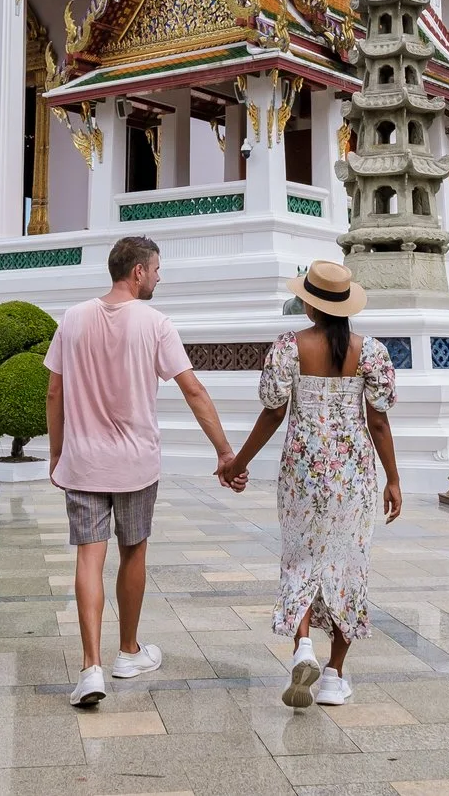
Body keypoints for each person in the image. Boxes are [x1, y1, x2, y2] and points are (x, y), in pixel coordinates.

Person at [46, 234, 234, 709]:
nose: (159, 277)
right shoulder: (154, 323)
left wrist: (56, 453)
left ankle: (90, 667)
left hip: (84, 461)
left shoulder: (72, 318)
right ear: (137, 272)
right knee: (133, 553)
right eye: (156, 269)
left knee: (88, 557)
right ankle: (128, 652)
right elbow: (192, 390)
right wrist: (225, 452)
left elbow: (54, 394)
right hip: (135, 464)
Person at [217, 258, 401, 709]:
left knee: (300, 560)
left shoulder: (288, 348)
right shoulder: (371, 352)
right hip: (353, 476)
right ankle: (335, 677)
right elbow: (377, 422)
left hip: (302, 474)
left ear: (310, 305)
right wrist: (393, 479)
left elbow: (274, 412)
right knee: (346, 569)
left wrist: (237, 462)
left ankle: (302, 648)